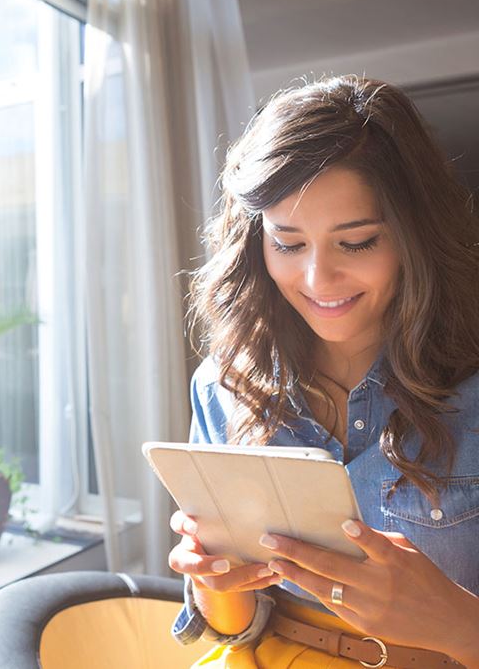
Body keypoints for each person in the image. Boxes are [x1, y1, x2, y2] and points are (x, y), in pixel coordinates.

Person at [168, 75, 479, 668]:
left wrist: (458, 620)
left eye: (356, 242)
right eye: (287, 243)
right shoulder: (225, 384)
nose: (317, 282)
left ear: (417, 237)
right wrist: (211, 579)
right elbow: (236, 629)